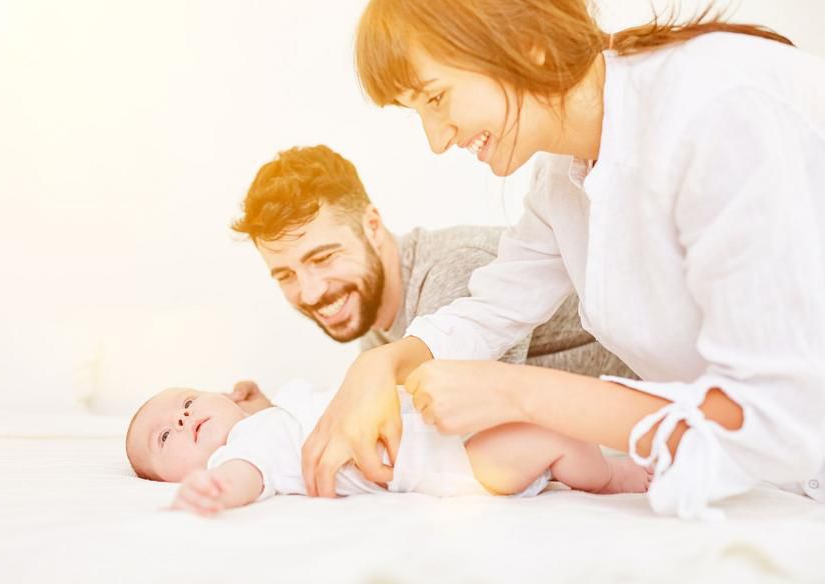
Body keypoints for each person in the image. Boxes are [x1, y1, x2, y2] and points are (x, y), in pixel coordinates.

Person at [300, 0, 825, 520]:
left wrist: (518, 392)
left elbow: (777, 415)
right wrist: (382, 363)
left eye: (436, 98)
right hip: (777, 490)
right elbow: (494, 307)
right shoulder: (562, 175)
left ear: (528, 44)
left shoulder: (717, 111)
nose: (437, 140)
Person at [228, 145, 634, 408]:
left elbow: (445, 436)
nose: (311, 291)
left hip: (673, 415)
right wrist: (271, 419)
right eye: (285, 275)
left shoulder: (452, 270)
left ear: (372, 225)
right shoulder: (368, 312)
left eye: (323, 258)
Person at [125, 380, 651, 516]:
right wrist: (217, 490)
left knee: (541, 409)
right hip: (449, 464)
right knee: (551, 434)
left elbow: (286, 419)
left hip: (444, 424)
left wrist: (259, 402)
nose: (184, 416)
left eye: (188, 400)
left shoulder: (270, 418)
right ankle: (612, 478)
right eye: (166, 435)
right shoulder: (241, 453)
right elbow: (248, 473)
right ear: (166, 477)